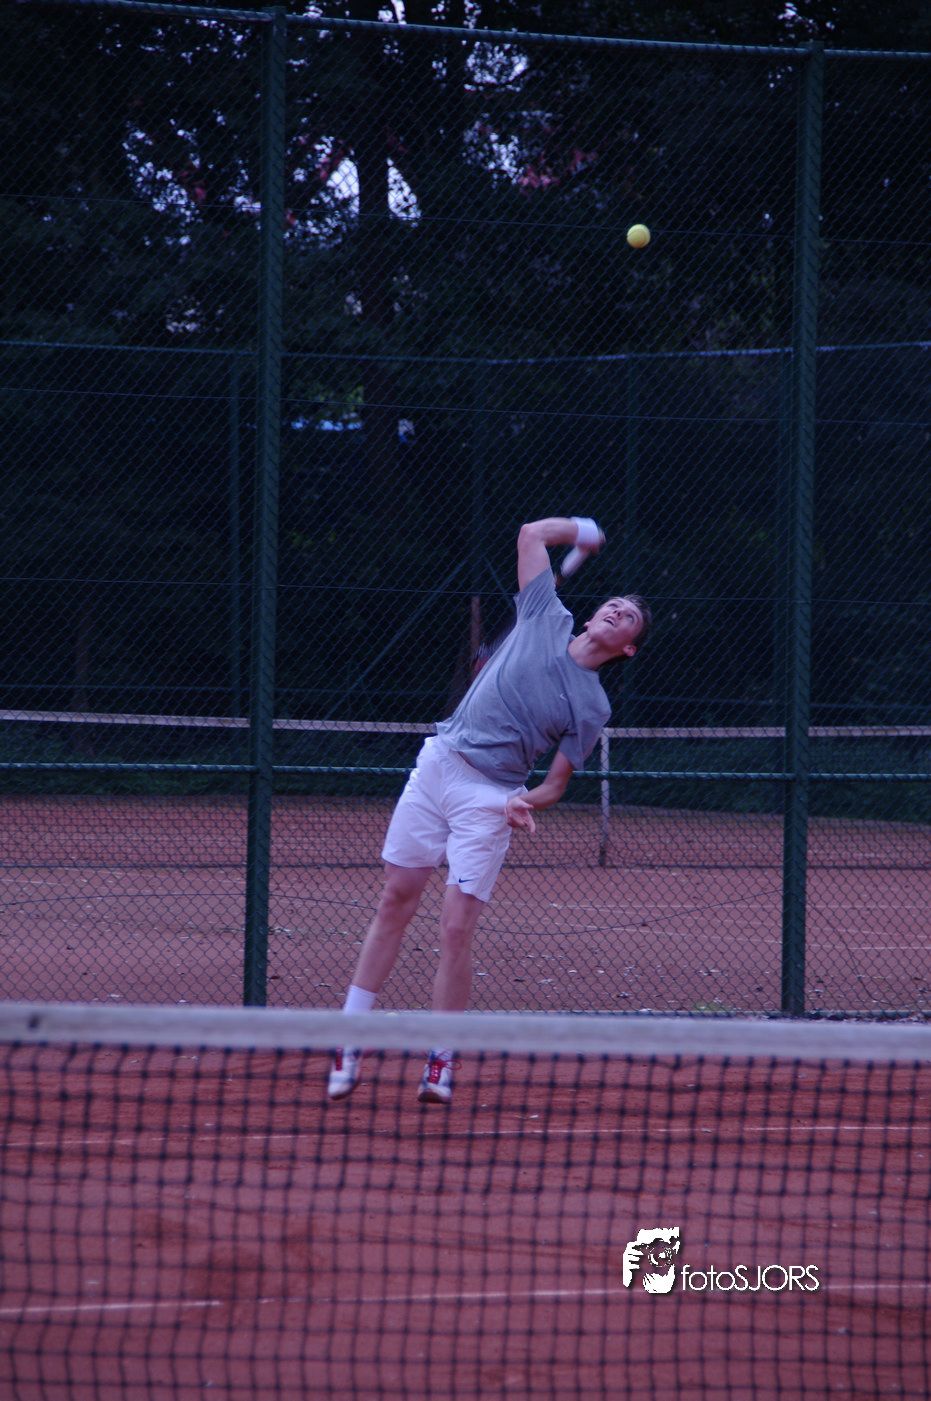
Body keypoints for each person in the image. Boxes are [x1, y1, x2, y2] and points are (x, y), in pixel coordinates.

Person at [327, 515, 652, 1106]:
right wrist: (581, 528)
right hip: (439, 764)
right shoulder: (544, 613)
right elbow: (531, 534)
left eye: (628, 617)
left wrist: (522, 802)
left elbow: (554, 784)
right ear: (590, 616)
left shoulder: (593, 705)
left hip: (492, 797)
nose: (616, 611)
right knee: (396, 899)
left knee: (456, 929)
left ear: (627, 647)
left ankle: (441, 1059)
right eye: (612, 604)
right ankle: (349, 1041)